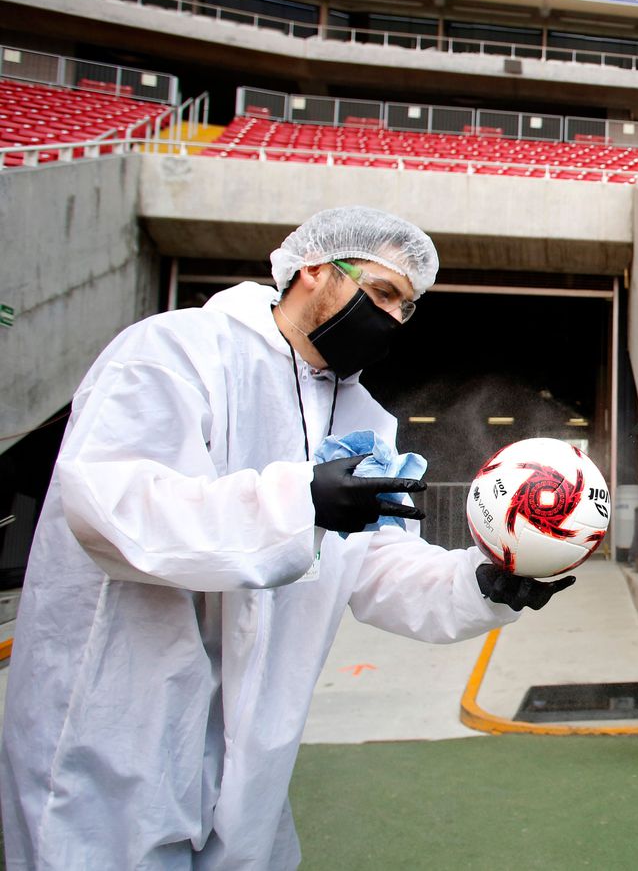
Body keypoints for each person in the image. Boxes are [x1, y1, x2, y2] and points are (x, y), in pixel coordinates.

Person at [0, 206, 573, 869]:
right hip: (116, 729)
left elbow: (374, 564)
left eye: (406, 306)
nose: (390, 316)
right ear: (313, 267)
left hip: (251, 756)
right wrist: (298, 503)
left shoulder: (361, 418)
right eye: (382, 292)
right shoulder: (177, 351)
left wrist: (479, 584)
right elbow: (113, 509)